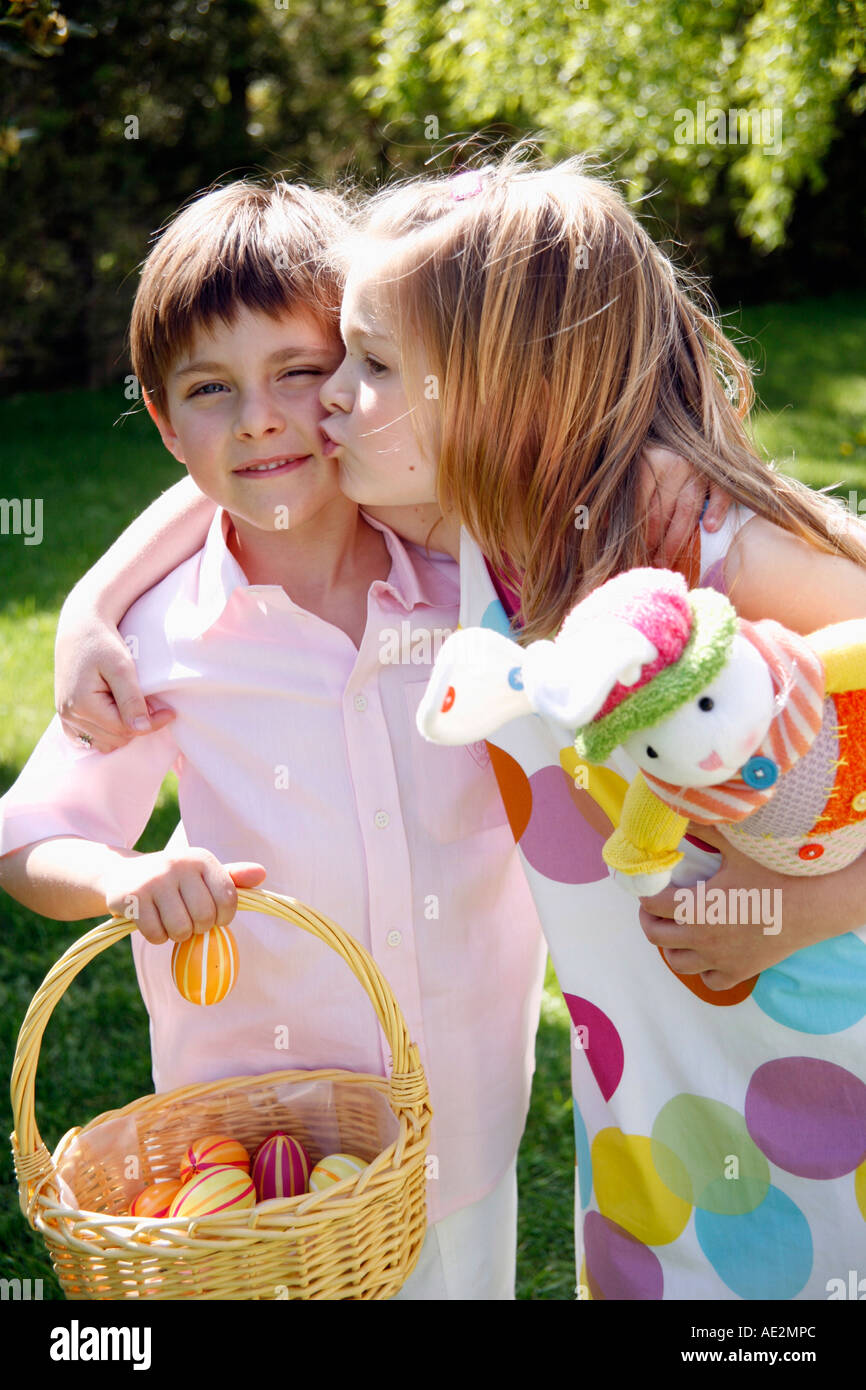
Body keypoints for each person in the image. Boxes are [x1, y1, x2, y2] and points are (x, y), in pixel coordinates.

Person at [310, 153, 866, 1299]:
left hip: (822, 1055)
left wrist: (806, 906)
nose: (326, 396)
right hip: (647, 1087)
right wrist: (98, 612)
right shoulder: (489, 532)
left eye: (368, 364)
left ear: (501, 389)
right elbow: (233, 456)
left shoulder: (714, 544)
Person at [0, 176, 557, 1301]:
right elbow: (27, 841)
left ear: (356, 383)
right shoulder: (158, 642)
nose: (258, 418)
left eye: (297, 374)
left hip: (469, 1116)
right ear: (162, 423)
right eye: (211, 389)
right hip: (268, 1171)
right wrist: (123, 872)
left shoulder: (468, 582)